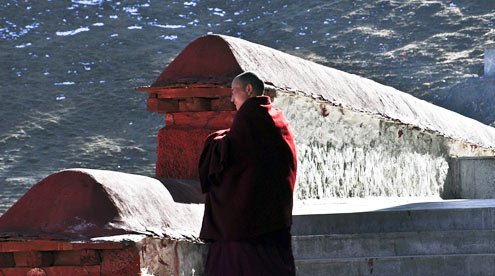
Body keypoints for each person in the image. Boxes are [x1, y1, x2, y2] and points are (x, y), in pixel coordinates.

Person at [198, 71, 298, 275]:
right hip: (275, 216)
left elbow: (234, 154)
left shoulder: (250, 115)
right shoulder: (276, 116)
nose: (232, 99)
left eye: (234, 92)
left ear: (249, 90)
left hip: (249, 222)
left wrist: (215, 141)